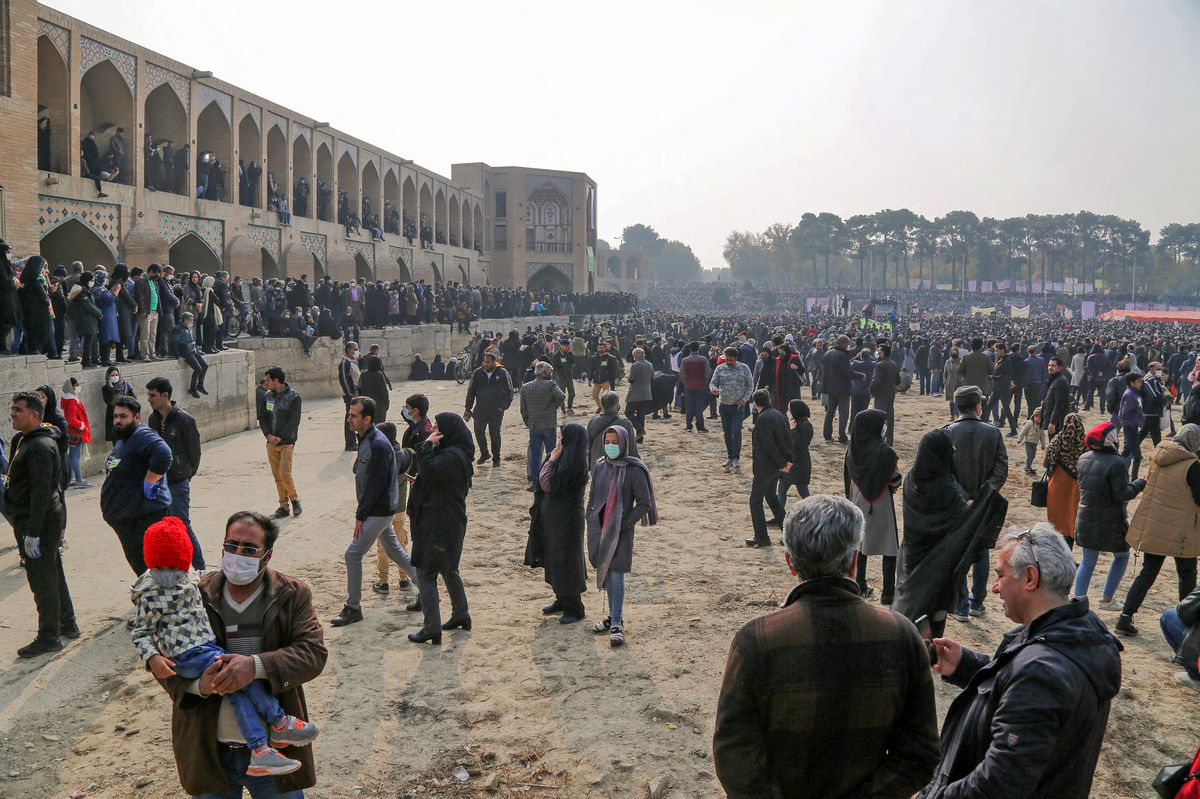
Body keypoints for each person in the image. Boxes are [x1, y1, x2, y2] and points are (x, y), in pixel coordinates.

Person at [714, 494, 939, 799]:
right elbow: (920, 754)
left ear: (790, 562)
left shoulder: (755, 641)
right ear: (854, 561)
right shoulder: (902, 636)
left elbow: (735, 756)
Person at [920, 525, 1122, 799]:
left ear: (1030, 577)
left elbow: (1000, 782)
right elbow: (1019, 695)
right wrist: (966, 666)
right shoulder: (1074, 632)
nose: (993, 588)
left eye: (1000, 575)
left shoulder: (1041, 672)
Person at [154, 510, 327, 797]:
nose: (237, 554)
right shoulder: (194, 595)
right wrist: (199, 685)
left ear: (267, 555)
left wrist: (255, 666)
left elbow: (312, 653)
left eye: (249, 549)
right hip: (209, 749)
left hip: (273, 752)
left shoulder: (292, 594)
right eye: (231, 545)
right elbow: (164, 659)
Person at [895, 430, 1007, 639]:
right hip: (938, 560)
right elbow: (963, 518)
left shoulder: (912, 478)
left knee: (912, 604)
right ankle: (930, 650)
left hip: (912, 552)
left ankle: (915, 644)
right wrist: (978, 504)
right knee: (935, 608)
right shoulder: (944, 487)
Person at [330, 397, 417, 627]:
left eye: (353, 415)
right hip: (380, 509)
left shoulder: (377, 444)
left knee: (352, 554)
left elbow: (376, 485)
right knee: (396, 552)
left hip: (379, 510)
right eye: (349, 414)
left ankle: (353, 608)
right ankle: (426, 587)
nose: (349, 418)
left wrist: (361, 515)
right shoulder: (367, 439)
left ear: (367, 419)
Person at [8, 391, 78, 658]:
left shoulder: (40, 447)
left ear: (35, 415)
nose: (12, 414)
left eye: (18, 410)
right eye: (12, 409)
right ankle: (66, 623)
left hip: (38, 520)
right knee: (53, 572)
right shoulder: (23, 439)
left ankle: (49, 636)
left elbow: (41, 493)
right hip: (32, 517)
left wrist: (33, 533)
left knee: (43, 580)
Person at [1115, 423, 1200, 636]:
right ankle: (1187, 625)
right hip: (1182, 530)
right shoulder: (1192, 465)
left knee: (1148, 573)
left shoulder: (1158, 455)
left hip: (1155, 526)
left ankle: (1125, 616)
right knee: (1187, 576)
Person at [407, 413, 475, 644]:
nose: (434, 429)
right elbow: (433, 477)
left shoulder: (452, 457)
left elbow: (427, 469)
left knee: (425, 574)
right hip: (448, 521)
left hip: (438, 523)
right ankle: (460, 614)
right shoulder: (457, 453)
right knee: (448, 568)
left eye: (438, 426)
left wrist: (426, 445)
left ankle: (431, 628)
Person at [587, 425, 657, 646]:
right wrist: (590, 516)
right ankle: (612, 615)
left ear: (624, 443)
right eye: (607, 442)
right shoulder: (600, 465)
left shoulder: (634, 470)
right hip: (599, 529)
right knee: (605, 572)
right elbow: (593, 495)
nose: (610, 446)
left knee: (616, 574)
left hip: (621, 532)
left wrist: (625, 523)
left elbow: (644, 503)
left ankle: (616, 622)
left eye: (614, 442)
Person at [944, 385, 1008, 621]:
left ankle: (960, 605)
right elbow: (1001, 467)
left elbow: (944, 471)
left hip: (956, 505)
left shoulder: (947, 432)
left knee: (958, 551)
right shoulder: (993, 433)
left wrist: (962, 495)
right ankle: (976, 602)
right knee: (980, 551)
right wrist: (984, 493)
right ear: (978, 406)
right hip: (985, 504)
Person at [1073, 421, 1146, 607]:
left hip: (1085, 518)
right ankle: (1107, 599)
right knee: (1122, 556)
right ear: (1110, 439)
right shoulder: (1117, 462)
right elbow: (1122, 494)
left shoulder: (1083, 459)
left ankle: (1077, 600)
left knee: (1087, 561)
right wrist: (1140, 483)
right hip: (1110, 521)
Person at [524, 423, 589, 624]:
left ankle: (575, 607)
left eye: (563, 437)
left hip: (567, 520)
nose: (559, 440)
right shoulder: (564, 456)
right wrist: (552, 459)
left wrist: (551, 460)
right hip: (554, 517)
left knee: (567, 561)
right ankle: (561, 599)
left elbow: (548, 484)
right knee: (554, 558)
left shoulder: (575, 462)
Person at [101, 397, 172, 575]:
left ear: (137, 417)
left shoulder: (142, 435)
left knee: (152, 569)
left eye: (123, 416)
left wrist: (149, 482)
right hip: (126, 518)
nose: (118, 420)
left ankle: (159, 600)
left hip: (142, 517)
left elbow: (164, 453)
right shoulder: (125, 437)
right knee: (142, 568)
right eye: (116, 416)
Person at [146, 377, 204, 570]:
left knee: (182, 525)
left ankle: (201, 569)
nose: (149, 399)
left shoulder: (185, 420)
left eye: (152, 395)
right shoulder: (153, 419)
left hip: (177, 483)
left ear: (165, 396)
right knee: (162, 527)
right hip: (158, 483)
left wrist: (184, 474)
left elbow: (194, 454)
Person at [844, 408, 900, 603]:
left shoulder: (852, 449)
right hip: (882, 501)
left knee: (860, 544)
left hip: (858, 500)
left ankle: (859, 584)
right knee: (889, 546)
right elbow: (895, 479)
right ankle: (888, 593)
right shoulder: (886, 452)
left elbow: (847, 478)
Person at [747, 389, 792, 548]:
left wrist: (781, 462)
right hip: (776, 466)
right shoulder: (780, 415)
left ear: (755, 403)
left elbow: (769, 445)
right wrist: (787, 461)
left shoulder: (763, 419)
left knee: (755, 501)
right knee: (772, 498)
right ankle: (789, 534)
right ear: (769, 400)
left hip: (766, 466)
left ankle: (762, 537)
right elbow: (787, 439)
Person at [259, 367, 302, 520]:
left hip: (286, 442)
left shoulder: (293, 397)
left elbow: (294, 421)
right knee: (277, 476)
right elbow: (262, 417)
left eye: (268, 380)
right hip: (271, 443)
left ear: (277, 380)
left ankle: (295, 500)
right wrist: (268, 435)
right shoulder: (267, 396)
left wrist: (280, 437)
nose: (266, 383)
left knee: (285, 473)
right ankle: (283, 506)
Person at [520, 361, 565, 491]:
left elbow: (523, 409)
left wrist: (528, 422)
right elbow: (561, 396)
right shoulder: (551, 384)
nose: (551, 374)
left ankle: (535, 482)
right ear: (543, 373)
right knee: (551, 453)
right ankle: (549, 480)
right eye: (550, 372)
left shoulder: (526, 387)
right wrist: (553, 407)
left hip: (534, 425)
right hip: (549, 423)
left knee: (535, 455)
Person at [464, 351, 513, 467]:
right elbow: (471, 391)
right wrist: (468, 407)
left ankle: (496, 458)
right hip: (480, 408)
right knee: (478, 431)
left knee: (494, 433)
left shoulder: (502, 372)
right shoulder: (477, 373)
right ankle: (484, 453)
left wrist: (504, 406)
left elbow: (509, 390)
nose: (485, 364)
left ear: (493, 362)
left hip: (496, 409)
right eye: (484, 362)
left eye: (488, 362)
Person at [1043, 413, 1085, 548]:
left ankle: (1055, 553)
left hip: (1056, 485)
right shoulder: (1085, 443)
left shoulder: (1057, 440)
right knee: (1070, 521)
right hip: (1075, 487)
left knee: (1055, 522)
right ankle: (1068, 551)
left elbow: (1046, 463)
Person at [710, 346, 754, 471]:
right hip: (724, 405)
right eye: (727, 360)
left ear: (736, 358)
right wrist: (713, 389)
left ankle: (736, 458)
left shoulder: (744, 368)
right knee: (727, 432)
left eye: (731, 360)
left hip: (738, 406)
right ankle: (729, 456)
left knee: (736, 432)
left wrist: (744, 399)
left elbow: (750, 385)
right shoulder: (720, 368)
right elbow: (713, 382)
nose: (729, 362)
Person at [822, 335, 861, 443]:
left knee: (830, 412)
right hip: (842, 389)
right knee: (843, 413)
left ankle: (827, 436)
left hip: (828, 388)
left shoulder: (828, 353)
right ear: (844, 344)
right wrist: (860, 376)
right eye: (848, 344)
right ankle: (842, 437)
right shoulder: (842, 355)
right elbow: (847, 372)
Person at [776, 399, 812, 513]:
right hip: (788, 463)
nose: (788, 411)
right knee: (781, 491)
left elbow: (800, 444)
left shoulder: (806, 426)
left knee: (804, 493)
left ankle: (813, 512)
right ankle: (779, 514)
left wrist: (793, 430)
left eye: (790, 409)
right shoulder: (791, 421)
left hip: (800, 465)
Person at [586, 391, 637, 465]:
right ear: (617, 406)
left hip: (598, 465)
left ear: (602, 406)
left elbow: (588, 447)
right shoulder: (626, 424)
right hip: (620, 467)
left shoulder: (593, 422)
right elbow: (632, 448)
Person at [60, 377, 93, 488]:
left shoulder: (70, 400)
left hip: (73, 432)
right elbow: (71, 419)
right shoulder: (72, 401)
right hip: (76, 432)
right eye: (76, 385)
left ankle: (71, 478)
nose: (78, 387)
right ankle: (78, 479)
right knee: (75, 456)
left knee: (72, 456)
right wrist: (81, 425)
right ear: (71, 387)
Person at [171, 312, 209, 398]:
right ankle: (192, 388)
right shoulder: (178, 329)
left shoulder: (188, 328)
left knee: (205, 366)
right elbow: (174, 344)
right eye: (190, 320)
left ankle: (200, 385)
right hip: (186, 352)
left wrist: (197, 350)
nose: (192, 322)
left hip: (193, 351)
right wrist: (178, 356)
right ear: (185, 320)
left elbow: (192, 341)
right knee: (198, 369)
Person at [870, 343, 900, 445]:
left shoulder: (879, 365)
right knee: (889, 418)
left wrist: (871, 389)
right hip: (891, 394)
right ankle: (889, 440)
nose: (878, 353)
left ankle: (879, 439)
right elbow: (898, 381)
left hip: (880, 394)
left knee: (879, 418)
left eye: (879, 351)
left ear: (883, 353)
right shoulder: (894, 364)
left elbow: (876, 381)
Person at [1118, 371, 1146, 478]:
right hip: (1131, 428)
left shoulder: (1134, 393)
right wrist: (1132, 423)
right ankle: (1134, 478)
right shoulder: (1130, 395)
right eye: (1138, 381)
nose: (1140, 383)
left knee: (1126, 452)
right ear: (1132, 382)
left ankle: (1118, 472)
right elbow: (1124, 413)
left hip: (1132, 426)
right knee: (1137, 456)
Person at [101, 366, 135, 445]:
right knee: (116, 443)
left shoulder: (126, 385)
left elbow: (133, 399)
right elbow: (109, 401)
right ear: (108, 377)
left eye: (116, 375)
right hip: (114, 418)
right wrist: (111, 388)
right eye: (112, 375)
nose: (115, 377)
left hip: (126, 416)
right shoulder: (106, 388)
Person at [338, 342, 361, 451]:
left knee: (355, 418)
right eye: (355, 349)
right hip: (351, 394)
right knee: (350, 418)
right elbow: (344, 379)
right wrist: (349, 394)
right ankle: (350, 443)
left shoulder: (353, 362)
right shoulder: (345, 362)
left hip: (356, 393)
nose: (357, 351)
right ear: (349, 350)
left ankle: (354, 441)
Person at [1039, 356, 1071, 435]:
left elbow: (1059, 404)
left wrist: (1053, 422)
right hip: (1052, 418)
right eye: (1049, 365)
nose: (1050, 368)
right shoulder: (1053, 379)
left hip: (1058, 421)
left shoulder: (1060, 382)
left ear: (1059, 368)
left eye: (1053, 366)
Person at [355, 355, 390, 423]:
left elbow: (359, 388)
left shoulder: (363, 374)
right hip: (379, 404)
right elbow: (383, 391)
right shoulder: (379, 375)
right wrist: (387, 402)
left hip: (366, 403)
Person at [588, 340, 619, 410]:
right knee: (595, 395)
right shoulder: (594, 358)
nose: (600, 349)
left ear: (605, 349)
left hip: (606, 380)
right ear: (597, 348)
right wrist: (589, 379)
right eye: (599, 348)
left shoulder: (611, 358)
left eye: (602, 348)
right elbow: (591, 369)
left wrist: (611, 379)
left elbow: (614, 370)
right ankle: (600, 407)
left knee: (605, 397)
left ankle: (607, 409)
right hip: (596, 380)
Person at [1016, 408, 1046, 474]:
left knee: (1033, 456)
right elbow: (1023, 431)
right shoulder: (1029, 423)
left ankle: (1029, 467)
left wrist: (1043, 445)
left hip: (1035, 443)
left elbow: (1042, 437)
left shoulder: (1041, 427)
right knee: (1030, 455)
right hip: (1028, 442)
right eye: (1036, 417)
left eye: (1039, 417)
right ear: (1033, 416)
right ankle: (1027, 467)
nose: (1037, 419)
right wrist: (1019, 439)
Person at [550, 340, 577, 413]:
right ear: (562, 346)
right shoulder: (556, 356)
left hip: (569, 376)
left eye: (569, 346)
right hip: (561, 377)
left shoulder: (570, 354)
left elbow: (573, 363)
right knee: (562, 393)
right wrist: (562, 371)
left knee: (572, 393)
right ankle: (563, 409)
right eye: (567, 346)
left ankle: (569, 407)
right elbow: (555, 367)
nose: (568, 348)